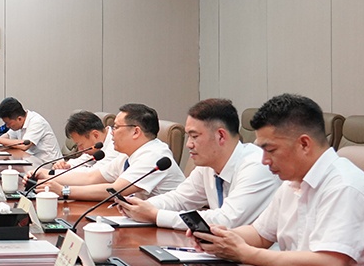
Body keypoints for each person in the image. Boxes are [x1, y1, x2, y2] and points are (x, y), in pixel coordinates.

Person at [194, 94, 364, 266]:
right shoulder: (292, 183)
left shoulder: (346, 186)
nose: (264, 160)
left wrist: (244, 253)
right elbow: (260, 234)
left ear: (304, 144)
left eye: (270, 150)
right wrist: (218, 237)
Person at [117, 98, 280, 229]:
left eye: (194, 136)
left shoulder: (257, 165)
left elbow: (226, 220)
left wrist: (156, 215)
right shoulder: (208, 166)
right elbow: (180, 199)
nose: (188, 144)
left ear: (221, 136)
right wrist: (140, 207)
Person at [38, 103, 184, 200]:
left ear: (136, 132)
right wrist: (46, 176)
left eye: (116, 127)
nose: (111, 132)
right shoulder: (127, 156)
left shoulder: (154, 155)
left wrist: (64, 191)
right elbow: (91, 177)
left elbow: (116, 189)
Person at [0, 96, 62, 164]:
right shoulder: (18, 124)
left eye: (8, 123)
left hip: (49, 164)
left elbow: (24, 145)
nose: (7, 126)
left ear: (19, 118)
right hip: (31, 160)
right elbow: (7, 136)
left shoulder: (36, 122)